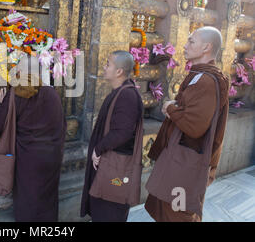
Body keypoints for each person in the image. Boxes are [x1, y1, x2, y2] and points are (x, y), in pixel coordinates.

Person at [145, 26, 230, 222]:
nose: (185, 45)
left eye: (191, 41)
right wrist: (177, 106)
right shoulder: (200, 75)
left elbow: (194, 126)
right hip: (180, 159)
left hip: (185, 164)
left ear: (206, 47)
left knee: (177, 212)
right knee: (168, 208)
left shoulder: (207, 80)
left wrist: (170, 108)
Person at [0, 55, 67, 222]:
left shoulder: (15, 94)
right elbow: (62, 125)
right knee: (48, 199)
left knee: (28, 201)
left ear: (19, 71)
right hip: (52, 157)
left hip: (27, 158)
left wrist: (1, 102)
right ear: (40, 73)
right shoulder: (52, 94)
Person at [80, 50, 143, 222]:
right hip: (109, 167)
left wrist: (98, 149)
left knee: (108, 213)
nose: (104, 67)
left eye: (108, 64)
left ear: (119, 71)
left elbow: (122, 132)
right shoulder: (120, 91)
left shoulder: (127, 95)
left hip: (115, 168)